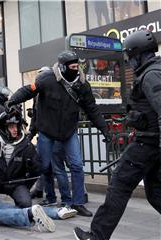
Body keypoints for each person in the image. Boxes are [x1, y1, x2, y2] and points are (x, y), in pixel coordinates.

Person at [74, 30, 161, 240]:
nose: (129, 62)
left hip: (148, 144)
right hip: (153, 145)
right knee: (155, 192)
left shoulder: (151, 75)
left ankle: (96, 236)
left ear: (138, 54)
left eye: (130, 57)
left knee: (118, 187)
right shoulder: (155, 70)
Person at [6, 50, 110, 217]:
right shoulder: (46, 80)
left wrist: (104, 129)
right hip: (47, 132)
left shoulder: (82, 85)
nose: (76, 69)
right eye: (73, 66)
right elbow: (28, 90)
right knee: (44, 166)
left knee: (77, 166)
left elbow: (92, 109)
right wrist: (12, 101)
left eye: (77, 66)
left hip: (69, 132)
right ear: (63, 66)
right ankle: (22, 193)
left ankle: (77, 203)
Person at [0, 108, 41, 208]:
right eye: (11, 127)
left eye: (16, 126)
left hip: (17, 184)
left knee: (26, 204)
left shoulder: (27, 146)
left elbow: (36, 170)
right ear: (3, 128)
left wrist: (24, 185)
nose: (15, 129)